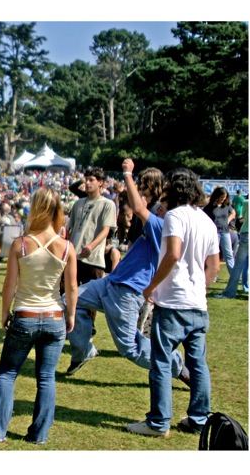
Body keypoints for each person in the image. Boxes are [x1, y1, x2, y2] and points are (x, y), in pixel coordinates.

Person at [65, 159, 188, 386]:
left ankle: (176, 365)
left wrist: (128, 173)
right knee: (68, 302)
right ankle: (83, 350)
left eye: (161, 207)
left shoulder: (162, 226)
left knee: (131, 348)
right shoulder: (157, 223)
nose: (157, 209)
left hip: (127, 291)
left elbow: (140, 209)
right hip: (112, 282)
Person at [0, 187, 77, 444]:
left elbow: (10, 283)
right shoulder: (66, 247)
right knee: (46, 378)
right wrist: (71, 315)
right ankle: (39, 434)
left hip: (25, 315)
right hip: (54, 316)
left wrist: (4, 313)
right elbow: (72, 287)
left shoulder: (21, 244)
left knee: (8, 374)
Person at [127, 168, 220, 438]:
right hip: (197, 304)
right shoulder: (207, 221)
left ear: (173, 189)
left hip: (172, 302)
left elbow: (173, 254)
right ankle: (199, 419)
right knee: (198, 364)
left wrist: (152, 285)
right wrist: (199, 288)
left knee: (161, 362)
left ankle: (158, 422)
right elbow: (213, 266)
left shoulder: (175, 216)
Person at [66, 167, 117, 337]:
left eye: (91, 180)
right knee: (67, 292)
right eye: (85, 179)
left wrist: (92, 246)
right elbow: (69, 228)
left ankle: (89, 329)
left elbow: (106, 230)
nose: (87, 183)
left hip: (93, 258)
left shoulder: (107, 204)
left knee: (91, 298)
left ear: (101, 183)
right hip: (74, 256)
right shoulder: (78, 203)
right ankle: (70, 324)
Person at [215, 196, 249, 299]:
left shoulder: (246, 202)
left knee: (238, 265)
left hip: (246, 234)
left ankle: (230, 292)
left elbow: (242, 216)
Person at [203, 186, 236, 274]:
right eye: (221, 197)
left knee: (229, 254)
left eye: (224, 197)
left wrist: (227, 221)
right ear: (217, 196)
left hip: (225, 232)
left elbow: (233, 213)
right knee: (214, 254)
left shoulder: (227, 205)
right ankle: (212, 274)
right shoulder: (209, 207)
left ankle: (233, 276)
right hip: (214, 233)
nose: (223, 199)